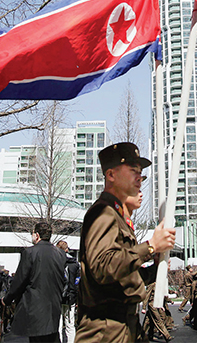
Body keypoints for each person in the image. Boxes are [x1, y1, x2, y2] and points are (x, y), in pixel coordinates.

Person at [75, 142, 175, 343]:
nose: (139, 177)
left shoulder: (117, 216)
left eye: (140, 172)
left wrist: (154, 269)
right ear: (111, 175)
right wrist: (150, 246)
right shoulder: (102, 212)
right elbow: (102, 266)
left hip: (124, 326)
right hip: (105, 329)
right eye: (132, 170)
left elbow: (123, 277)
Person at [2, 221, 66, 343]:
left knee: (37, 339)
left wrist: (7, 299)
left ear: (37, 235)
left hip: (35, 308)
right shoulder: (60, 254)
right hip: (54, 307)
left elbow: (19, 281)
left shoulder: (29, 253)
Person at [56, 240, 79, 343]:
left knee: (58, 325)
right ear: (67, 249)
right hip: (71, 298)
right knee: (70, 325)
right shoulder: (75, 264)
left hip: (58, 297)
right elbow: (77, 282)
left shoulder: (56, 262)